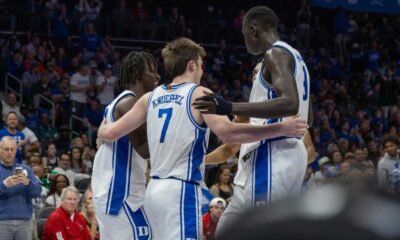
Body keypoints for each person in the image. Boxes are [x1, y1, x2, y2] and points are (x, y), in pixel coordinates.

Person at [98, 37, 307, 240]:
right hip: (181, 190)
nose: (202, 70)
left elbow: (109, 133)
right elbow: (229, 133)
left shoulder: (149, 97)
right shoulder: (199, 94)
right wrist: (281, 128)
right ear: (191, 65)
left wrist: (101, 130)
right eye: (200, 65)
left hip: (153, 191)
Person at [193, 6, 312, 233]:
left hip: (270, 157)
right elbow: (308, 117)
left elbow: (291, 103)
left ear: (254, 29)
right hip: (278, 156)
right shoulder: (298, 60)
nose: (245, 39)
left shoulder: (274, 54)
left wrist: (228, 106)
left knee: (261, 232)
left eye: (244, 34)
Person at [92, 51, 160, 240]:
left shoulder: (122, 101)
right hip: (120, 195)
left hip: (117, 193)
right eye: (152, 71)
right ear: (138, 74)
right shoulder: (128, 102)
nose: (157, 76)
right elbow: (145, 149)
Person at [0, 136, 41, 240]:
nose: (9, 152)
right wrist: (4, 185)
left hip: (24, 222)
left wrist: (27, 183)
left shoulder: (26, 169)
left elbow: (37, 192)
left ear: (16, 151)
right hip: (2, 222)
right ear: (0, 150)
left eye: (12, 149)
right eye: (6, 149)